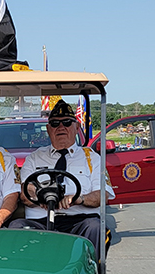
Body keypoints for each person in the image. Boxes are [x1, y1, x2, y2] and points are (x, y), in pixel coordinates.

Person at [10, 99, 113, 255]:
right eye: (55, 124)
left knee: (96, 228)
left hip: (79, 220)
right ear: (48, 129)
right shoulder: (34, 158)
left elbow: (103, 195)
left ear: (77, 127)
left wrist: (79, 199)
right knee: (16, 227)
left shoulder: (92, 158)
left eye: (67, 122)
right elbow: (24, 193)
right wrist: (39, 196)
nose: (61, 127)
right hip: (40, 221)